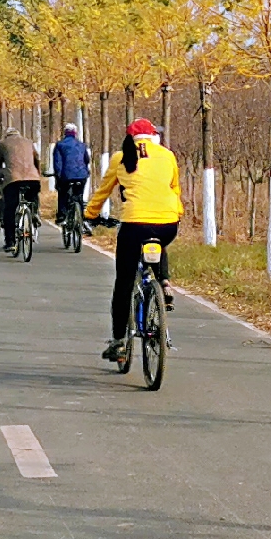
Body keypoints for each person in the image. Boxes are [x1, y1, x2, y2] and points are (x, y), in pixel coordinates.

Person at [88, 117, 185, 367]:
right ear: (153, 136)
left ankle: (119, 341)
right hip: (167, 224)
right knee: (158, 242)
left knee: (124, 283)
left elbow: (103, 190)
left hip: (134, 226)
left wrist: (89, 214)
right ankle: (163, 282)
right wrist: (177, 215)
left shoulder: (121, 158)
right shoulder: (167, 155)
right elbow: (174, 190)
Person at [48, 120, 92, 240]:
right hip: (82, 175)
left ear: (65, 133)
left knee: (63, 194)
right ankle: (82, 219)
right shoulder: (82, 145)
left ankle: (62, 217)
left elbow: (57, 163)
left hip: (66, 176)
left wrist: (57, 176)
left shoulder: (60, 145)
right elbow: (87, 160)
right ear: (75, 133)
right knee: (79, 196)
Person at [0, 128, 43, 243]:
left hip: (13, 179)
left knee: (10, 209)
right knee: (32, 197)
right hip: (33, 178)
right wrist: (38, 174)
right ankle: (34, 212)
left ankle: (10, 242)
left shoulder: (3, 144)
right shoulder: (29, 142)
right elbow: (37, 159)